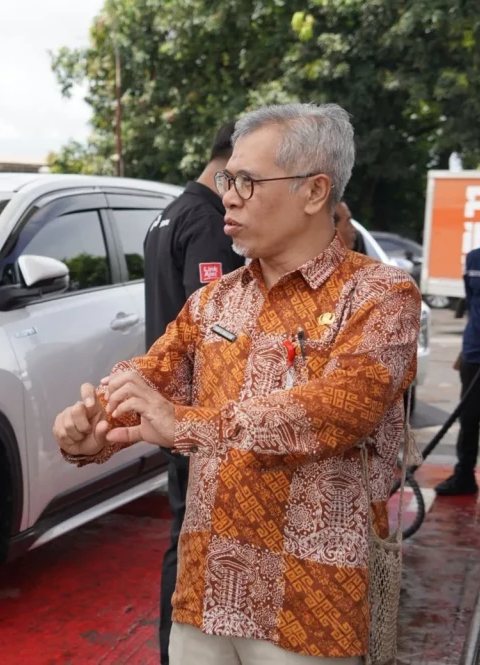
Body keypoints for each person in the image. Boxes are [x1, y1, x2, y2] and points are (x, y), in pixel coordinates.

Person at [53, 102, 420, 664]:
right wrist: (95, 426)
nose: (228, 196)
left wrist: (185, 423)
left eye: (248, 181)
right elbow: (153, 374)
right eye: (227, 180)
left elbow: (341, 409)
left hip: (308, 607)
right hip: (205, 596)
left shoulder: (378, 295)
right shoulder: (215, 299)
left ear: (314, 191)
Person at [141, 119, 245, 663]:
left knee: (184, 534)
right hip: (194, 414)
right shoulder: (207, 222)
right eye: (245, 177)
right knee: (190, 542)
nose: (243, 195)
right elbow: (217, 330)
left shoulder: (170, 212)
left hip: (175, 407)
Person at [435, 199, 480, 501]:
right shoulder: (476, 258)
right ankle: (464, 476)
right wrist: (465, 350)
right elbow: (472, 303)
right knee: (468, 418)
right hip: (476, 352)